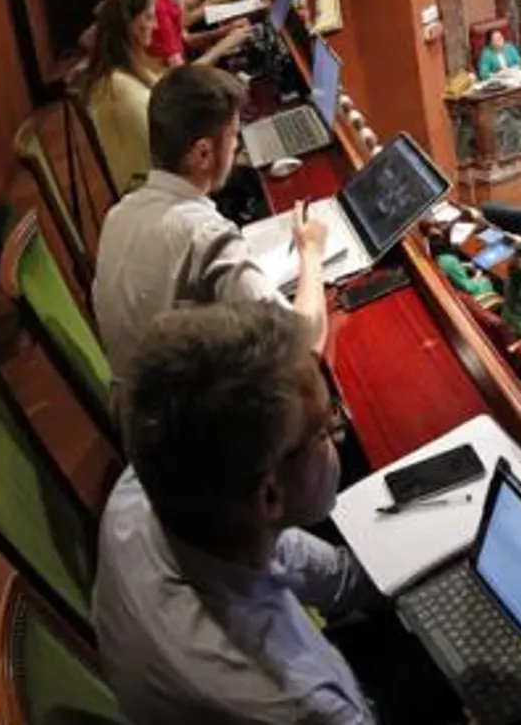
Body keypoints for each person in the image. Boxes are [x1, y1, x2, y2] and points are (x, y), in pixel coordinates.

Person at [96, 302, 408, 725]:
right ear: (269, 495)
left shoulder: (140, 490)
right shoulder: (303, 705)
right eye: (324, 430)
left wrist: (401, 575)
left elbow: (314, 567)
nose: (338, 436)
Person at [94, 66, 327, 391]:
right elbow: (306, 341)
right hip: (195, 427)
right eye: (234, 137)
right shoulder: (205, 235)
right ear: (203, 153)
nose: (236, 148)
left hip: (139, 410)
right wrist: (311, 251)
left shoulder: (117, 215)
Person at [82, 0, 163, 195]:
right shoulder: (119, 91)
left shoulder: (123, 69)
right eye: (149, 17)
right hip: (157, 200)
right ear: (130, 25)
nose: (156, 25)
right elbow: (161, 155)